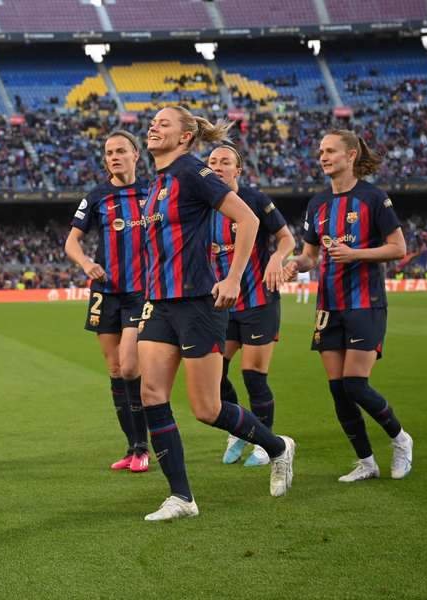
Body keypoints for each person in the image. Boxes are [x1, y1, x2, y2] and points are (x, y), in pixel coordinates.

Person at [136, 106, 296, 522]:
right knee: (151, 394)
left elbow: (246, 219)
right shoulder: (156, 182)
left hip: (197, 304)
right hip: (159, 302)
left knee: (207, 409)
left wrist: (233, 278)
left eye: (164, 123)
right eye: (152, 122)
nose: (154, 126)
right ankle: (182, 497)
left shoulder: (193, 172)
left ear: (186, 137)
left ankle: (278, 447)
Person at [283, 129, 412, 482]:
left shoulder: (373, 198)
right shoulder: (318, 203)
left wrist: (356, 254)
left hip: (365, 303)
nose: (322, 156)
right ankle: (366, 462)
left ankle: (400, 439)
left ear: (351, 155)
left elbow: (398, 248)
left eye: (330, 151)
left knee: (355, 384)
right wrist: (293, 265)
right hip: (328, 306)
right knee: (338, 389)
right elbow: (311, 255)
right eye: (320, 151)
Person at [64, 130, 150, 473]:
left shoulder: (152, 192)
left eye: (120, 151)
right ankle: (131, 448)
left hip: (140, 292)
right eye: (109, 153)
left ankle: (143, 446)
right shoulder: (97, 196)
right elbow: (72, 242)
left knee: (130, 366)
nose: (114, 156)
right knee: (114, 369)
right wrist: (86, 263)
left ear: (135, 155)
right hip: (105, 291)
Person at [207, 145, 296, 467]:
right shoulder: (202, 206)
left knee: (254, 376)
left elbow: (287, 238)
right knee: (214, 373)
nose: (217, 166)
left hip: (259, 300)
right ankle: (238, 428)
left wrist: (276, 258)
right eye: (212, 161)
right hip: (222, 304)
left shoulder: (255, 200)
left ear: (238, 170)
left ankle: (264, 442)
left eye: (225, 162)